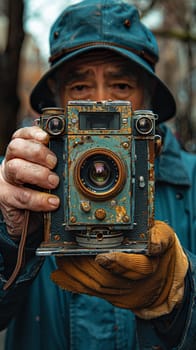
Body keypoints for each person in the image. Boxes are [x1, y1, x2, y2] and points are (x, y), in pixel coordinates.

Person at [0, 0, 195, 349]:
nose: (101, 102)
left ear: (147, 105)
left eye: (121, 87)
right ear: (55, 106)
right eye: (79, 89)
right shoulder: (18, 181)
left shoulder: (191, 182)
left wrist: (179, 292)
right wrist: (11, 234)